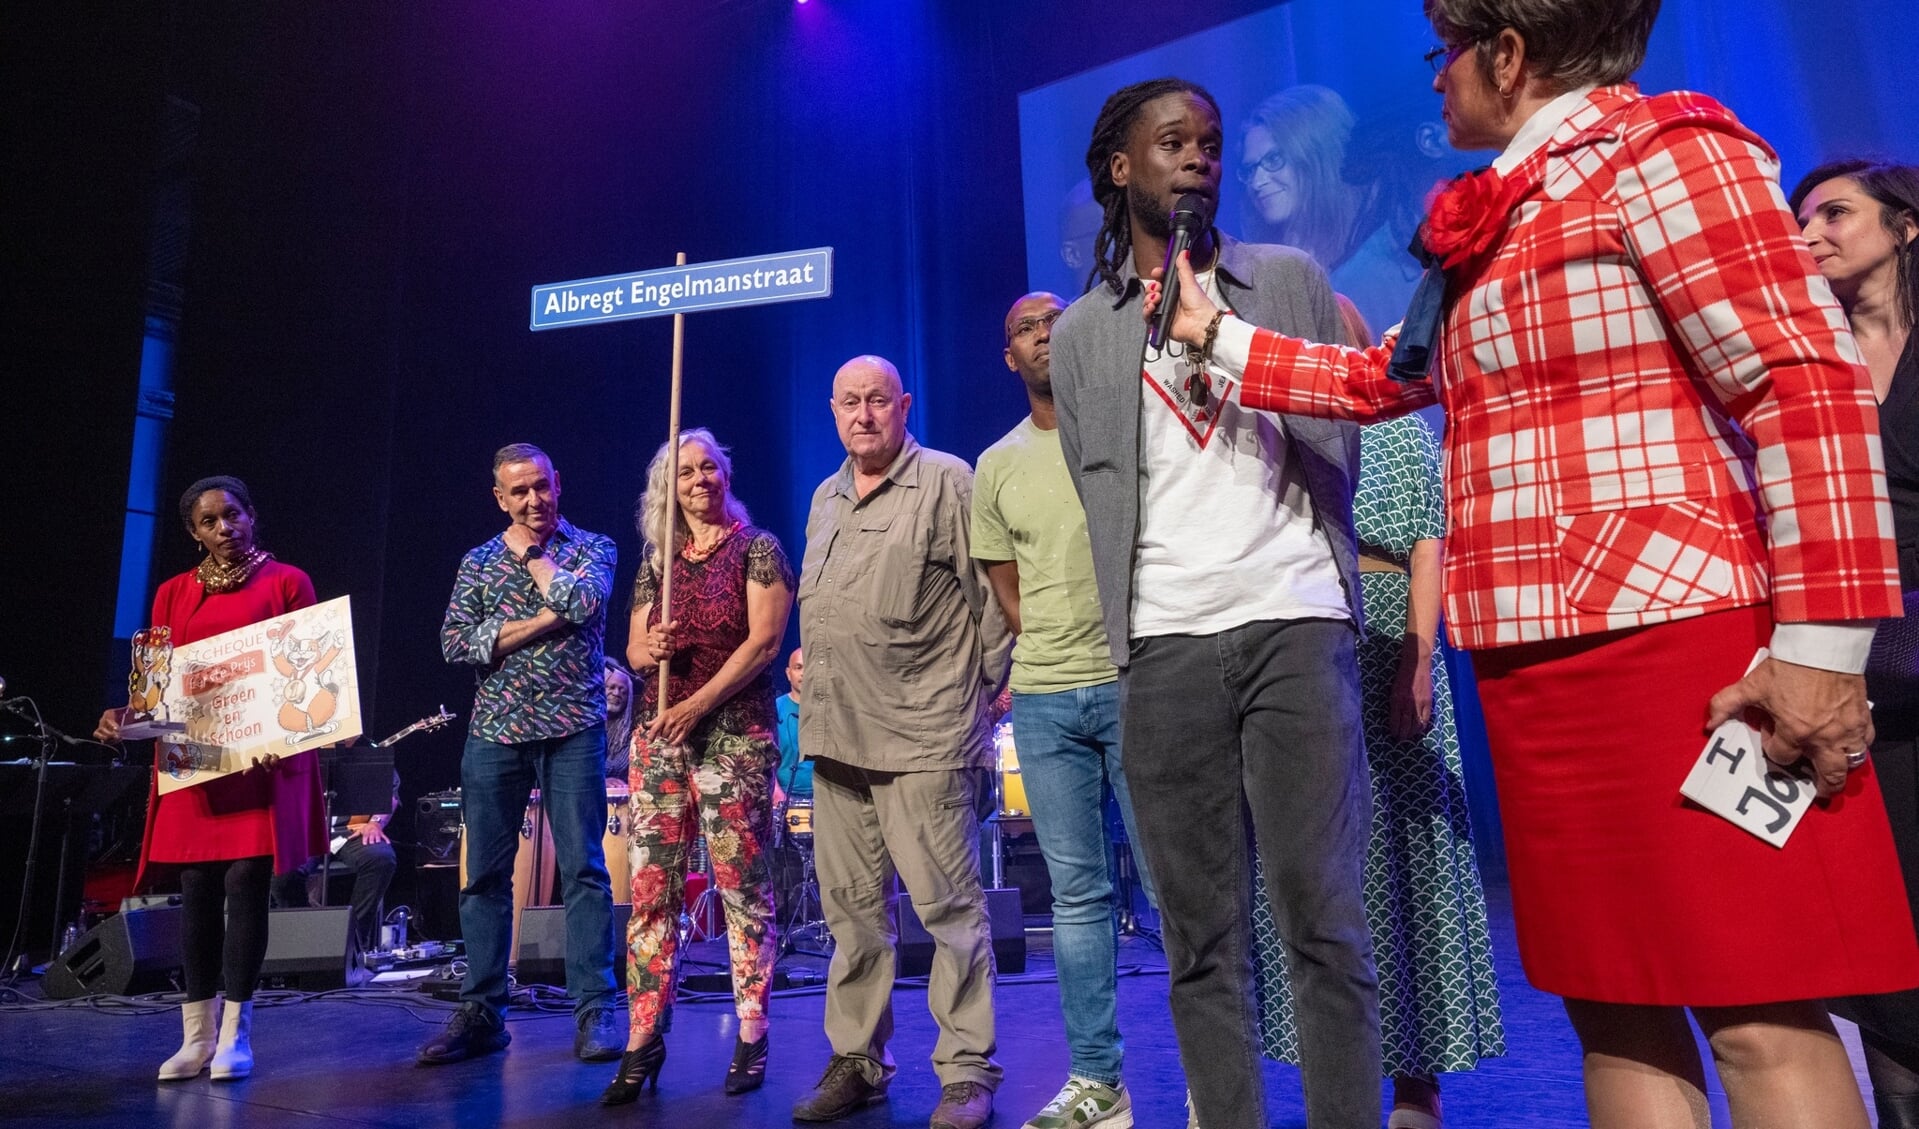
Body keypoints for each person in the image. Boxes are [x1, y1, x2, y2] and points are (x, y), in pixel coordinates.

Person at [1141, 3, 1919, 1123]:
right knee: (1610, 1005)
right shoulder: (1494, 209)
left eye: (1441, 53)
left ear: (1505, 54)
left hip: (1682, 643)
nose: (1432, 80)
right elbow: (1380, 382)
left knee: (1756, 1010)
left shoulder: (1663, 153)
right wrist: (1212, 334)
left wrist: (1816, 651)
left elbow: (1803, 386)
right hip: (1535, 663)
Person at [1049, 77, 1379, 1129]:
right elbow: (1099, 481)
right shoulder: (1081, 334)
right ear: (1119, 168)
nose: (1198, 157)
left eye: (1211, 143)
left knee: (1321, 920)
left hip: (1291, 616)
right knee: (1197, 937)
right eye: (1171, 141)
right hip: (1165, 644)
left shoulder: (1285, 277)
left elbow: (1339, 423)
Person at [1253, 295, 1504, 1129]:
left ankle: (1416, 1079)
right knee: (1325, 865)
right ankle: (1340, 1068)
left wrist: (1419, 660)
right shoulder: (1283, 427)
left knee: (1405, 864)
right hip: (1306, 636)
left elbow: (1428, 542)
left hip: (1389, 631)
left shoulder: (1398, 426)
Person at [791, 355, 1011, 1129]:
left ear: (903, 404)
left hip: (924, 733)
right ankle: (858, 1058)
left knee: (949, 911)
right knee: (852, 913)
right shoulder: (824, 496)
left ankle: (966, 1069)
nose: (862, 414)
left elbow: (992, 598)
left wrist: (984, 688)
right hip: (836, 735)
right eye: (848, 401)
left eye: (876, 400)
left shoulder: (946, 480)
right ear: (832, 409)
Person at [973, 291, 1156, 1129]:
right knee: (1077, 896)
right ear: (1008, 355)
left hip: (1138, 682)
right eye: (1024, 328)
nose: (1042, 334)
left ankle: (1211, 1078)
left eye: (1054, 320)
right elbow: (1007, 590)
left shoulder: (1125, 426)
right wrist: (1054, 649)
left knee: (1170, 886)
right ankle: (1099, 1083)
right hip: (1046, 697)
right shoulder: (997, 463)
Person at [94, 475, 326, 1082]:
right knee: (197, 890)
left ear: (252, 515)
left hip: (261, 765)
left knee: (247, 883)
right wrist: (124, 718)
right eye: (209, 521)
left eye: (232, 515)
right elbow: (152, 690)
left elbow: (309, 672)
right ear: (194, 533)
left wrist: (283, 736)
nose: (224, 528)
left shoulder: (288, 583)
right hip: (197, 764)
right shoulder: (172, 593)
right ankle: (194, 1037)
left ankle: (236, 1036)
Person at [601, 427, 794, 1103]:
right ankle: (643, 1036)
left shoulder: (757, 548)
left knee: (742, 887)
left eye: (710, 467)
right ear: (668, 486)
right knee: (651, 894)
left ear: (725, 474)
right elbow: (630, 648)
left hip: (733, 735)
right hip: (662, 738)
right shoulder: (658, 561)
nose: (700, 479)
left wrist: (700, 703)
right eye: (686, 471)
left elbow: (765, 641)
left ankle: (751, 1029)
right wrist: (647, 644)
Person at [1792, 158, 1919, 1128]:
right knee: (1866, 931)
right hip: (1841, 658)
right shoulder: (1803, 357)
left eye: (1836, 212)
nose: (1815, 230)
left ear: (1903, 227)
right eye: (1803, 219)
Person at [427, 442, 623, 1066]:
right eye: (519, 491)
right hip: (496, 731)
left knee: (584, 872)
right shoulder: (478, 562)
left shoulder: (593, 547)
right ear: (499, 498)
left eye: (541, 486)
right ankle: (482, 1012)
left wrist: (537, 560)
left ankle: (595, 1009)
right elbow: (456, 644)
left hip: (573, 726)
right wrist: (543, 622)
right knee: (484, 877)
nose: (533, 499)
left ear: (558, 483)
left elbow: (584, 604)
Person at [270, 749, 400, 956]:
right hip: (309, 830)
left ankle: (353, 943)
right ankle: (304, 940)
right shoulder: (300, 750)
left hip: (350, 831)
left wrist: (375, 824)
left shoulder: (369, 750)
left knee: (381, 859)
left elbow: (389, 795)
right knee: (284, 872)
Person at [1238, 85, 1362, 273]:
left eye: (1274, 159)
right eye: (1250, 169)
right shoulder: (1260, 268)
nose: (1256, 183)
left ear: (1316, 157)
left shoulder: (1371, 256)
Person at [774, 648, 812, 804]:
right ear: (788, 673)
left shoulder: (831, 710)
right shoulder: (774, 709)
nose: (804, 673)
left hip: (825, 799)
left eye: (809, 667)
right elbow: (763, 759)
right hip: (785, 798)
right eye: (799, 667)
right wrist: (776, 793)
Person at [603, 657, 636, 780]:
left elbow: (619, 766)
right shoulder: (588, 723)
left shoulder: (631, 728)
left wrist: (595, 772)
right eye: (611, 687)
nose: (616, 693)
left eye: (623, 691)